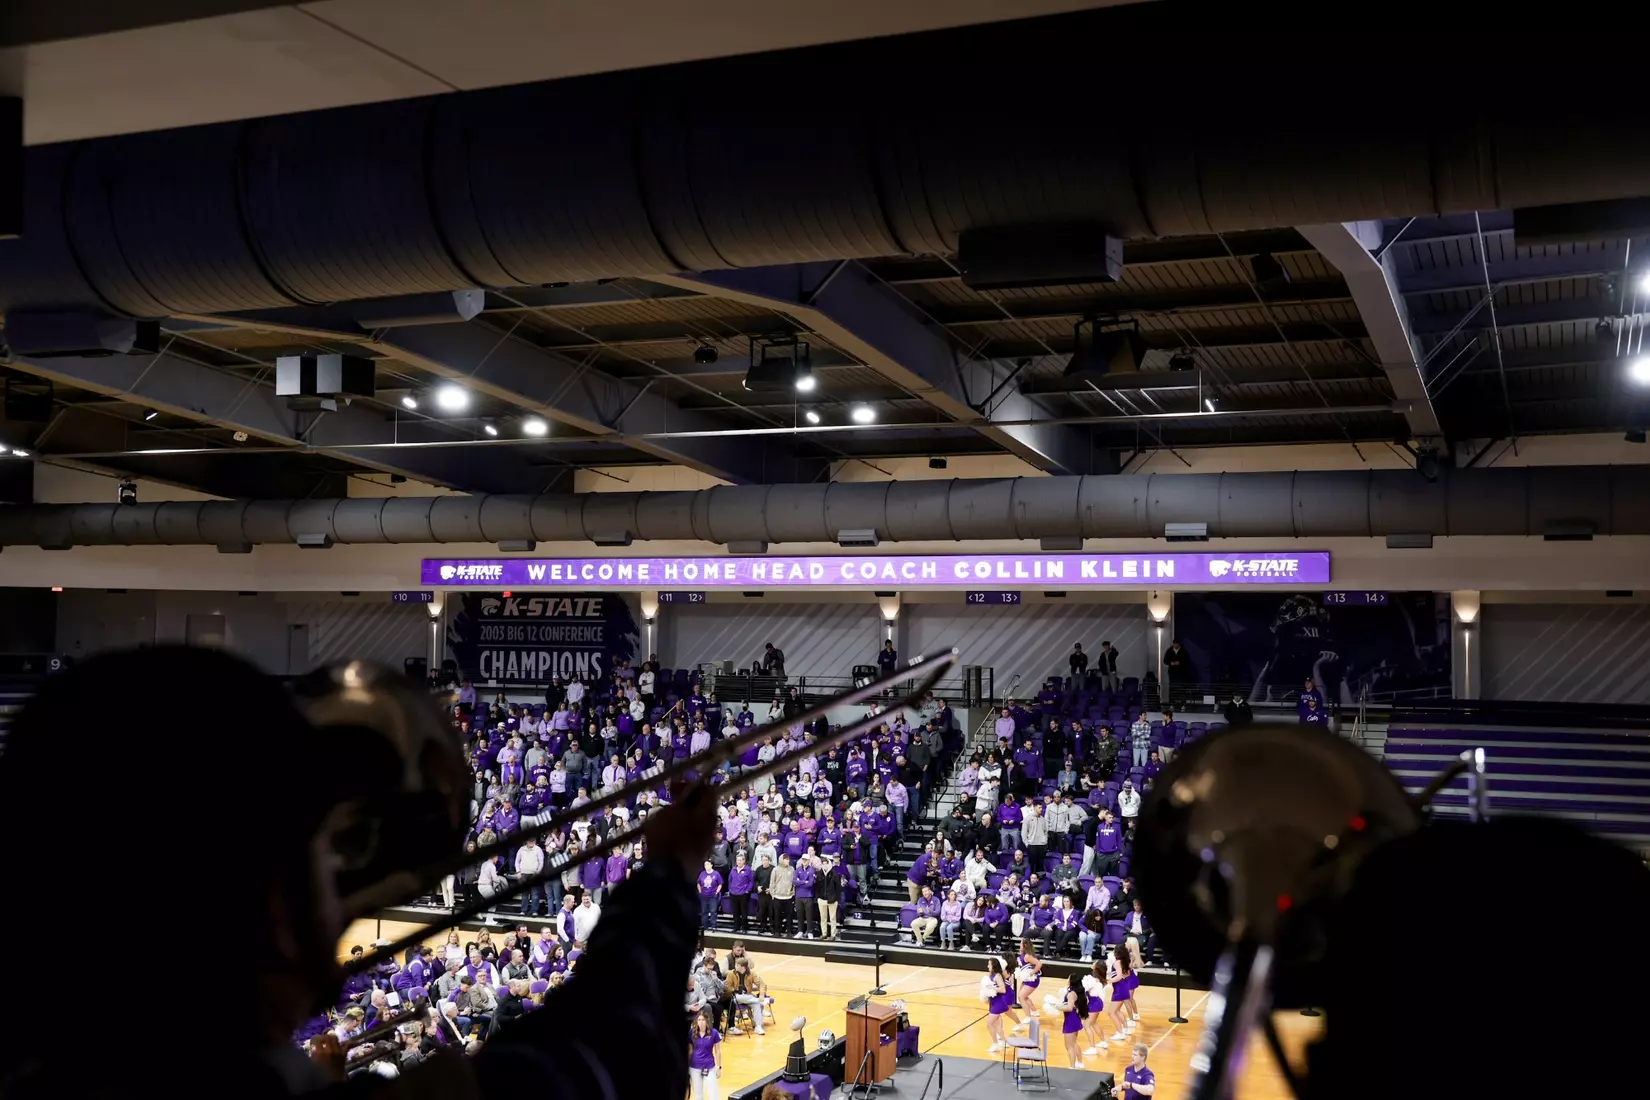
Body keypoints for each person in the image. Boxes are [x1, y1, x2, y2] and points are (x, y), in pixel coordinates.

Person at [983, 956, 1019, 1055]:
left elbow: (1002, 989)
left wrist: (992, 987)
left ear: (993, 965)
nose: (987, 966)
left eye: (989, 964)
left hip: (998, 1003)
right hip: (993, 1002)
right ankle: (1003, 1041)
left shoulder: (998, 976)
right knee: (997, 1024)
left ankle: (995, 1043)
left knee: (989, 1023)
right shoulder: (991, 974)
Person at [688, 1011, 723, 1100]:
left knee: (713, 1094)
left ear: (707, 1021)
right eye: (699, 1020)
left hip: (709, 1066)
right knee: (698, 1095)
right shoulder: (692, 1032)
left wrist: (719, 1067)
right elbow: (690, 1050)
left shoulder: (714, 1033)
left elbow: (718, 1051)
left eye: (703, 1020)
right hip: (694, 1067)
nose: (701, 1022)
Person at [1060, 973, 1089, 1068]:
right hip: (1075, 1019)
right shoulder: (1077, 992)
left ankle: (1072, 1067)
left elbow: (1069, 1008)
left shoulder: (1071, 994)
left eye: (1068, 978)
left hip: (1070, 1020)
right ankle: (1080, 1062)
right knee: (1074, 1043)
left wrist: (1057, 1007)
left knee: (1069, 1046)